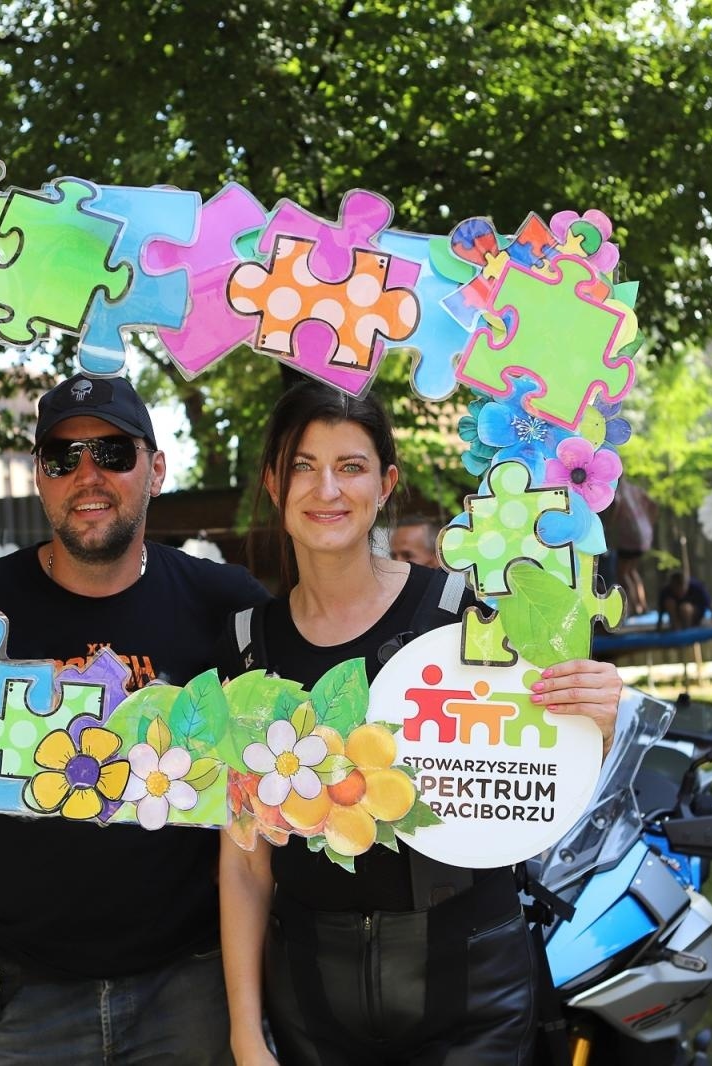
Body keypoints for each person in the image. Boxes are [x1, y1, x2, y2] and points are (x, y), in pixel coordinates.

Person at [215, 381, 623, 1066]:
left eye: (350, 466)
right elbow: (245, 862)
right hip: (313, 1005)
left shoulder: (465, 616)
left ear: (385, 484)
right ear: (274, 484)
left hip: (471, 994)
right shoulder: (248, 643)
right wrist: (245, 1033)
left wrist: (599, 717)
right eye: (303, 467)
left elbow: (554, 762)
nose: (327, 490)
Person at [0, 373, 269, 1065]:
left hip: (189, 987)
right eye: (63, 457)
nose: (88, 475)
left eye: (113, 453)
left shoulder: (226, 602)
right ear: (40, 477)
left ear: (157, 468)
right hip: (28, 998)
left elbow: (292, 772)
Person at [605, 481, 656, 616]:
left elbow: (616, 503)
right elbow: (652, 504)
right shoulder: (634, 488)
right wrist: (649, 522)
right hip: (644, 533)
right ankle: (642, 604)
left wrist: (609, 524)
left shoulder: (618, 490)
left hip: (630, 535)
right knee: (631, 570)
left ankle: (635, 607)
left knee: (622, 573)